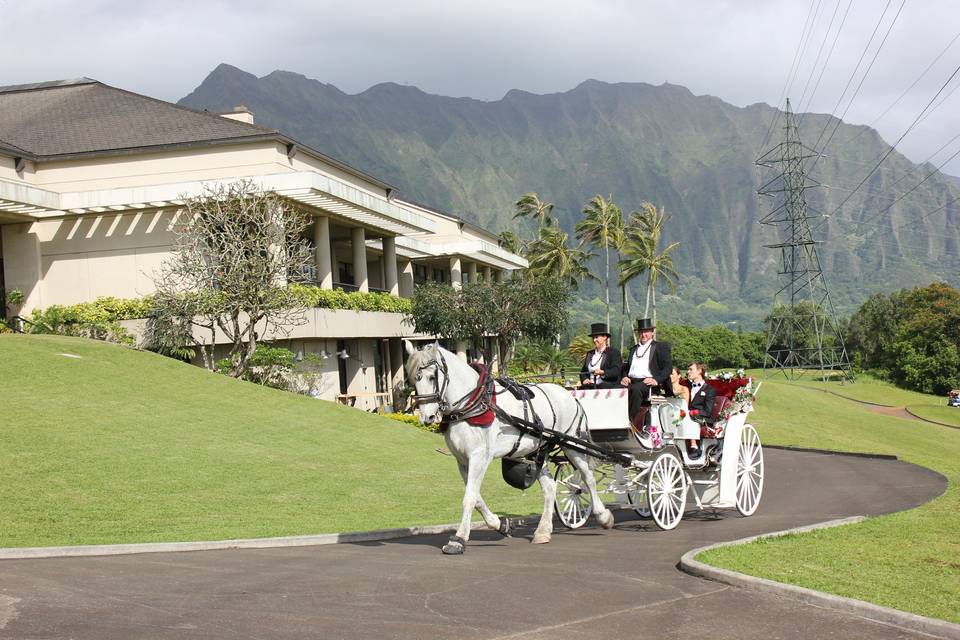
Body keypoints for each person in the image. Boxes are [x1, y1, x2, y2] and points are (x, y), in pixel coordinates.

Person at [619, 317, 672, 426]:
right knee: (614, 389)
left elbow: (668, 368)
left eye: (646, 332)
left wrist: (656, 380)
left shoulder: (660, 347)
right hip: (631, 381)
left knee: (636, 389)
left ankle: (630, 422)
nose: (644, 334)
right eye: (641, 332)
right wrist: (624, 376)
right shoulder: (634, 349)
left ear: (652, 333)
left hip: (648, 383)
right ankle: (614, 420)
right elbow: (627, 367)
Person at [579, 322, 624, 389]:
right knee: (583, 388)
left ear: (605, 337)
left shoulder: (614, 352)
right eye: (593, 338)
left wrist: (603, 372)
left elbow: (616, 371)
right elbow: (583, 372)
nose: (594, 340)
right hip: (590, 385)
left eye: (596, 337)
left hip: (607, 385)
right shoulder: (590, 354)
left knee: (602, 386)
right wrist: (585, 379)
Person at [686, 362, 716, 455]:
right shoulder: (686, 388)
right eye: (688, 369)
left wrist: (692, 412)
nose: (688, 372)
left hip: (702, 418)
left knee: (688, 418)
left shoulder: (709, 390)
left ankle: (694, 446)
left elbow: (708, 412)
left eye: (691, 369)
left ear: (699, 371)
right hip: (684, 415)